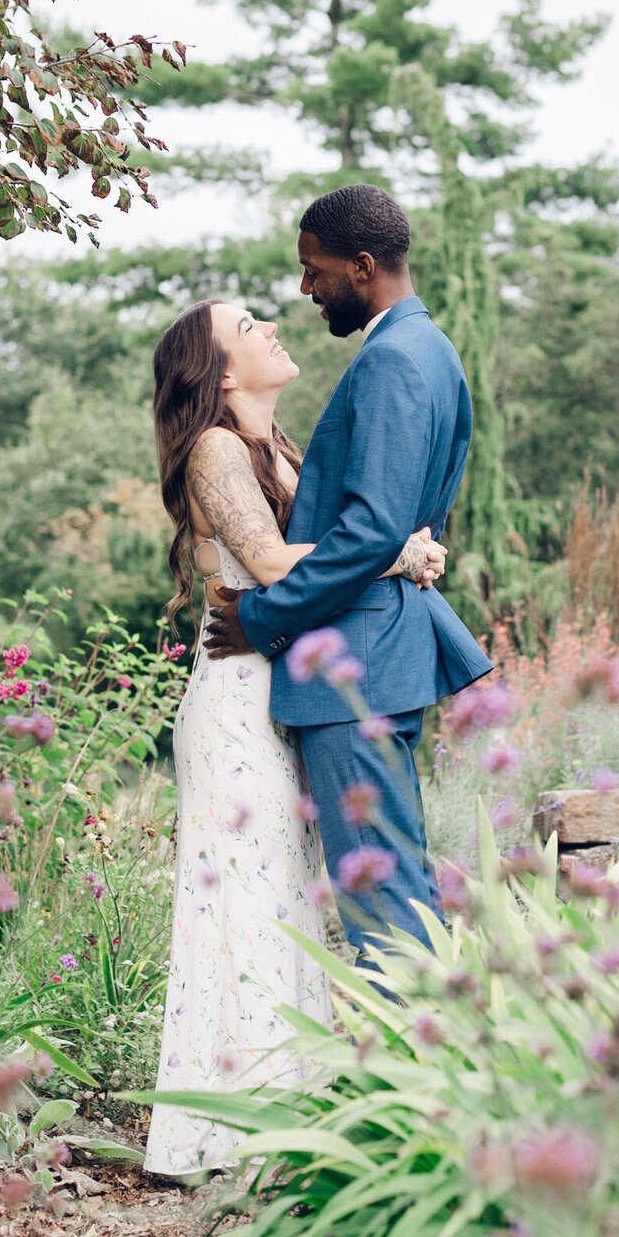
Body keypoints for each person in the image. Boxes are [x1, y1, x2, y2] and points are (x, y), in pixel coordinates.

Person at [143, 297, 445, 1178]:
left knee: (292, 905)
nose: (272, 327)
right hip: (235, 708)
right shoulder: (216, 449)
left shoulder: (284, 451)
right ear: (221, 372)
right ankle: (236, 1132)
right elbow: (275, 567)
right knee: (249, 905)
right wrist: (398, 554)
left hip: (288, 699)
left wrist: (395, 550)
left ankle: (290, 1115)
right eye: (249, 328)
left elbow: (322, 558)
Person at [203, 183, 494, 967]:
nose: (305, 288)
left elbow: (369, 531)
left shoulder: (395, 361)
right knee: (400, 886)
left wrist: (263, 619)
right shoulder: (427, 350)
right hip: (380, 652)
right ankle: (441, 1074)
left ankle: (415, 1080)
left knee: (382, 904)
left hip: (353, 663)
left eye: (313, 269)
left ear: (362, 266)